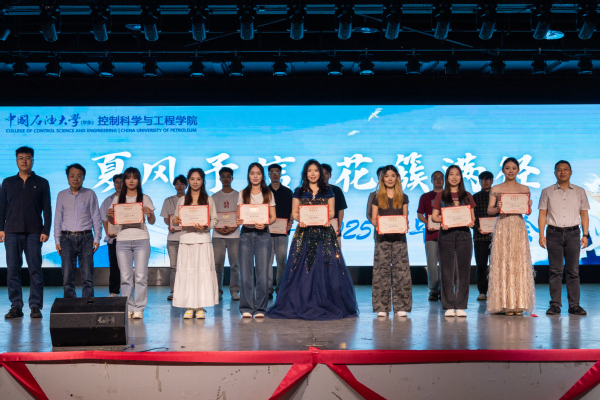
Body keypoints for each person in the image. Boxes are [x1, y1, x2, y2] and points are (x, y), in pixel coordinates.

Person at [266, 159, 359, 320]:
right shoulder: (299, 191)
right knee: (303, 268)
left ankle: (326, 301)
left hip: (324, 233)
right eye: (310, 171)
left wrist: (326, 218)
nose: (313, 174)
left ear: (320, 173)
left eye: (316, 170)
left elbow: (331, 212)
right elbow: (294, 213)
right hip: (304, 234)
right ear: (305, 173)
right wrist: (300, 219)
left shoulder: (328, 190)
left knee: (327, 266)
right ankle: (303, 301)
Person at [0, 147, 51, 319]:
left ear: (33, 161)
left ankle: (35, 306)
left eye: (27, 158)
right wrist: (1, 228)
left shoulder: (42, 182)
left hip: (34, 232)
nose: (24, 161)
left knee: (35, 270)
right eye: (21, 158)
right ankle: (16, 306)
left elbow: (47, 209)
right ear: (16, 161)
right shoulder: (8, 182)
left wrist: (46, 230)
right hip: (12, 232)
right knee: (12, 270)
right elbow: (2, 207)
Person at [539, 160, 590, 316]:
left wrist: (585, 234)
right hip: (553, 233)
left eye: (565, 169)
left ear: (571, 172)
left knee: (573, 271)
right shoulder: (547, 191)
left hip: (573, 233)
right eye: (559, 169)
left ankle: (574, 305)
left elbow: (584, 213)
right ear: (555, 172)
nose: (562, 172)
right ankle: (555, 305)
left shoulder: (580, 191)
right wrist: (541, 235)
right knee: (555, 271)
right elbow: (542, 213)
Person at [486, 157, 535, 316]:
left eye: (514, 168)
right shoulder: (496, 188)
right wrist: (498, 207)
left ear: (518, 170)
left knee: (518, 262)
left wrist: (529, 207)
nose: (511, 171)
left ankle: (518, 303)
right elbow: (490, 210)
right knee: (503, 262)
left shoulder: (524, 188)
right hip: (503, 226)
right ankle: (504, 304)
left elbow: (528, 212)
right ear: (503, 170)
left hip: (518, 227)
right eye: (507, 168)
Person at [107, 167, 155, 319]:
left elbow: (152, 221)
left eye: (135, 178)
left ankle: (139, 308)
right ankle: (128, 307)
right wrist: (109, 216)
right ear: (124, 181)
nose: (131, 181)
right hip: (122, 240)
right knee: (125, 277)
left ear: (139, 180)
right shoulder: (118, 199)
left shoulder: (145, 198)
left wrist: (150, 213)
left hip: (141, 239)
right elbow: (113, 221)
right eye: (128, 178)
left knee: (141, 276)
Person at [171, 168, 219, 319]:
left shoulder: (208, 199)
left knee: (201, 274)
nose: (195, 182)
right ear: (188, 181)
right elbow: (175, 220)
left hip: (203, 240)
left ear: (203, 181)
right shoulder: (182, 200)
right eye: (192, 179)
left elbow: (214, 220)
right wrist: (175, 220)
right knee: (188, 273)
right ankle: (189, 306)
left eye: (198, 179)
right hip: (186, 240)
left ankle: (200, 307)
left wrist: (206, 226)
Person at [431, 166, 476, 318]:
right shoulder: (441, 195)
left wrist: (471, 222)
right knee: (446, 271)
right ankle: (449, 305)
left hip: (464, 234)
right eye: (451, 174)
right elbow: (434, 216)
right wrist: (443, 221)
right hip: (446, 234)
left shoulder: (467, 195)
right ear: (447, 177)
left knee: (464, 271)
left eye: (457, 174)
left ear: (461, 177)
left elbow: (472, 217)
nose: (454, 177)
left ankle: (461, 305)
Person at [54, 163, 102, 299]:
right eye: (72, 176)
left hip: (86, 237)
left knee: (87, 276)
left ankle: (88, 304)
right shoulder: (62, 195)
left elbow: (96, 217)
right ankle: (70, 304)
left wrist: (97, 238)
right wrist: (57, 239)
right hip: (66, 238)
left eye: (79, 176)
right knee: (67, 275)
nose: (75, 179)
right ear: (67, 178)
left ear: (83, 178)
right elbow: (58, 218)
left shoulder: (90, 194)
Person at [370, 165, 412, 318]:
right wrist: (380, 225)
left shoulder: (403, 197)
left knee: (402, 272)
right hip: (382, 239)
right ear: (382, 178)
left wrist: (404, 225)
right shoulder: (376, 197)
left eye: (393, 176)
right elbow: (373, 219)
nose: (389, 179)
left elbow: (405, 218)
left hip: (399, 238)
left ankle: (401, 306)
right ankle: (382, 307)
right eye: (386, 176)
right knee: (381, 272)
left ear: (397, 178)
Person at [236, 163, 276, 318]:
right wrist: (239, 221)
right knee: (245, 273)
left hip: (263, 235)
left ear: (262, 176)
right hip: (246, 234)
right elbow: (240, 215)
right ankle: (246, 308)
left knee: (262, 273)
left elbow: (273, 217)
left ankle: (260, 308)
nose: (255, 176)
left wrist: (265, 223)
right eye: (252, 173)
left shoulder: (268, 193)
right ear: (248, 175)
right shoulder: (243, 193)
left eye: (258, 173)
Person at [212, 167, 241, 301]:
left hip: (234, 235)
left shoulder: (238, 196)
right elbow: (211, 216)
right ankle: (217, 291)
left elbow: (241, 215)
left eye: (228, 176)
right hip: (217, 235)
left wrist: (233, 228)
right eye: (223, 177)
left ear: (232, 178)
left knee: (235, 265)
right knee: (217, 265)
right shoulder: (214, 197)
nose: (226, 179)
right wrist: (217, 228)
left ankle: (235, 291)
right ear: (220, 179)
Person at [417, 171, 444, 301]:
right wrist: (428, 223)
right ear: (431, 180)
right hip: (431, 234)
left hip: (448, 234)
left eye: (441, 178)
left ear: (444, 180)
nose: (438, 180)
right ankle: (434, 291)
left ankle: (445, 290)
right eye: (435, 178)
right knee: (432, 264)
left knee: (447, 264)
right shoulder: (425, 196)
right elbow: (420, 214)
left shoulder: (449, 195)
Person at [267, 163, 294, 299]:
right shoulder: (265, 191)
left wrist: (291, 222)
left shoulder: (288, 192)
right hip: (266, 232)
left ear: (281, 173)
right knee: (267, 261)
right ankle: (268, 289)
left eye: (277, 172)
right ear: (268, 174)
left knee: (282, 261)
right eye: (272, 172)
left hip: (283, 231)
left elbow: (292, 210)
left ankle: (281, 289)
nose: (275, 174)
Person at [159, 174, 187, 301]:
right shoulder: (168, 200)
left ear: (186, 185)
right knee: (174, 267)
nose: (179, 186)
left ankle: (186, 291)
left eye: (182, 183)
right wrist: (170, 225)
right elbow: (166, 218)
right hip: (172, 238)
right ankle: (174, 291)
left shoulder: (190, 199)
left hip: (186, 238)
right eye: (177, 183)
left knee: (186, 267)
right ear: (174, 185)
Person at [471, 171, 494, 301]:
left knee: (496, 265)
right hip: (480, 237)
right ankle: (482, 292)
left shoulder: (497, 197)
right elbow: (471, 217)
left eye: (488, 179)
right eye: (483, 179)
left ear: (492, 180)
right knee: (481, 265)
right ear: (479, 181)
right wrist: (477, 227)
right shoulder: (474, 197)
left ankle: (495, 291)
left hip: (496, 237)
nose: (485, 181)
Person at [100, 174, 123, 297]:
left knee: (125, 266)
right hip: (113, 238)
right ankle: (114, 291)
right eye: (116, 182)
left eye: (121, 182)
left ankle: (127, 291)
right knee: (114, 265)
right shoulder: (108, 200)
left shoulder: (131, 199)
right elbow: (104, 218)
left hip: (127, 237)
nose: (119, 185)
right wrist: (107, 231)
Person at [321, 163, 347, 247]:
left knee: (336, 253)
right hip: (317, 228)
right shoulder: (312, 191)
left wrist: (339, 225)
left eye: (326, 173)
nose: (324, 176)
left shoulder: (336, 190)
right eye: (322, 173)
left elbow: (341, 209)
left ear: (330, 175)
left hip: (333, 225)